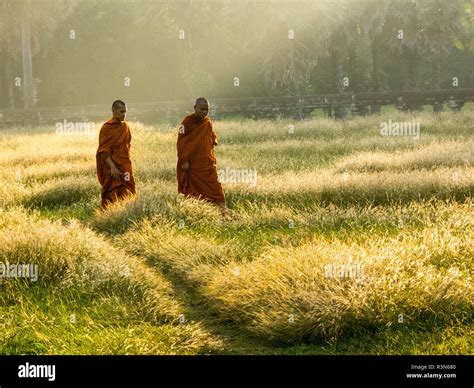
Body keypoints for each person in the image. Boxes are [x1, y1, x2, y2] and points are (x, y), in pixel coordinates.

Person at [177, 97, 229, 217]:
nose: (204, 112)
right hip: (192, 164)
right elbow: (180, 142)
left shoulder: (207, 122)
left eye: (206, 110)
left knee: (215, 186)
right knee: (192, 189)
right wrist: (183, 160)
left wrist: (212, 140)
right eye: (201, 109)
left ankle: (224, 212)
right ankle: (194, 213)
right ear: (195, 108)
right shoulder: (186, 122)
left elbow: (212, 137)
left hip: (207, 163)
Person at [96, 100, 136, 210]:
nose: (124, 114)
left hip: (124, 164)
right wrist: (112, 167)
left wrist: (124, 161)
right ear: (113, 111)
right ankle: (109, 216)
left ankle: (127, 213)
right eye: (121, 112)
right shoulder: (107, 127)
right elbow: (103, 151)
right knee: (112, 189)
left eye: (125, 112)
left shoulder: (125, 127)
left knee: (129, 187)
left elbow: (127, 145)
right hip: (112, 166)